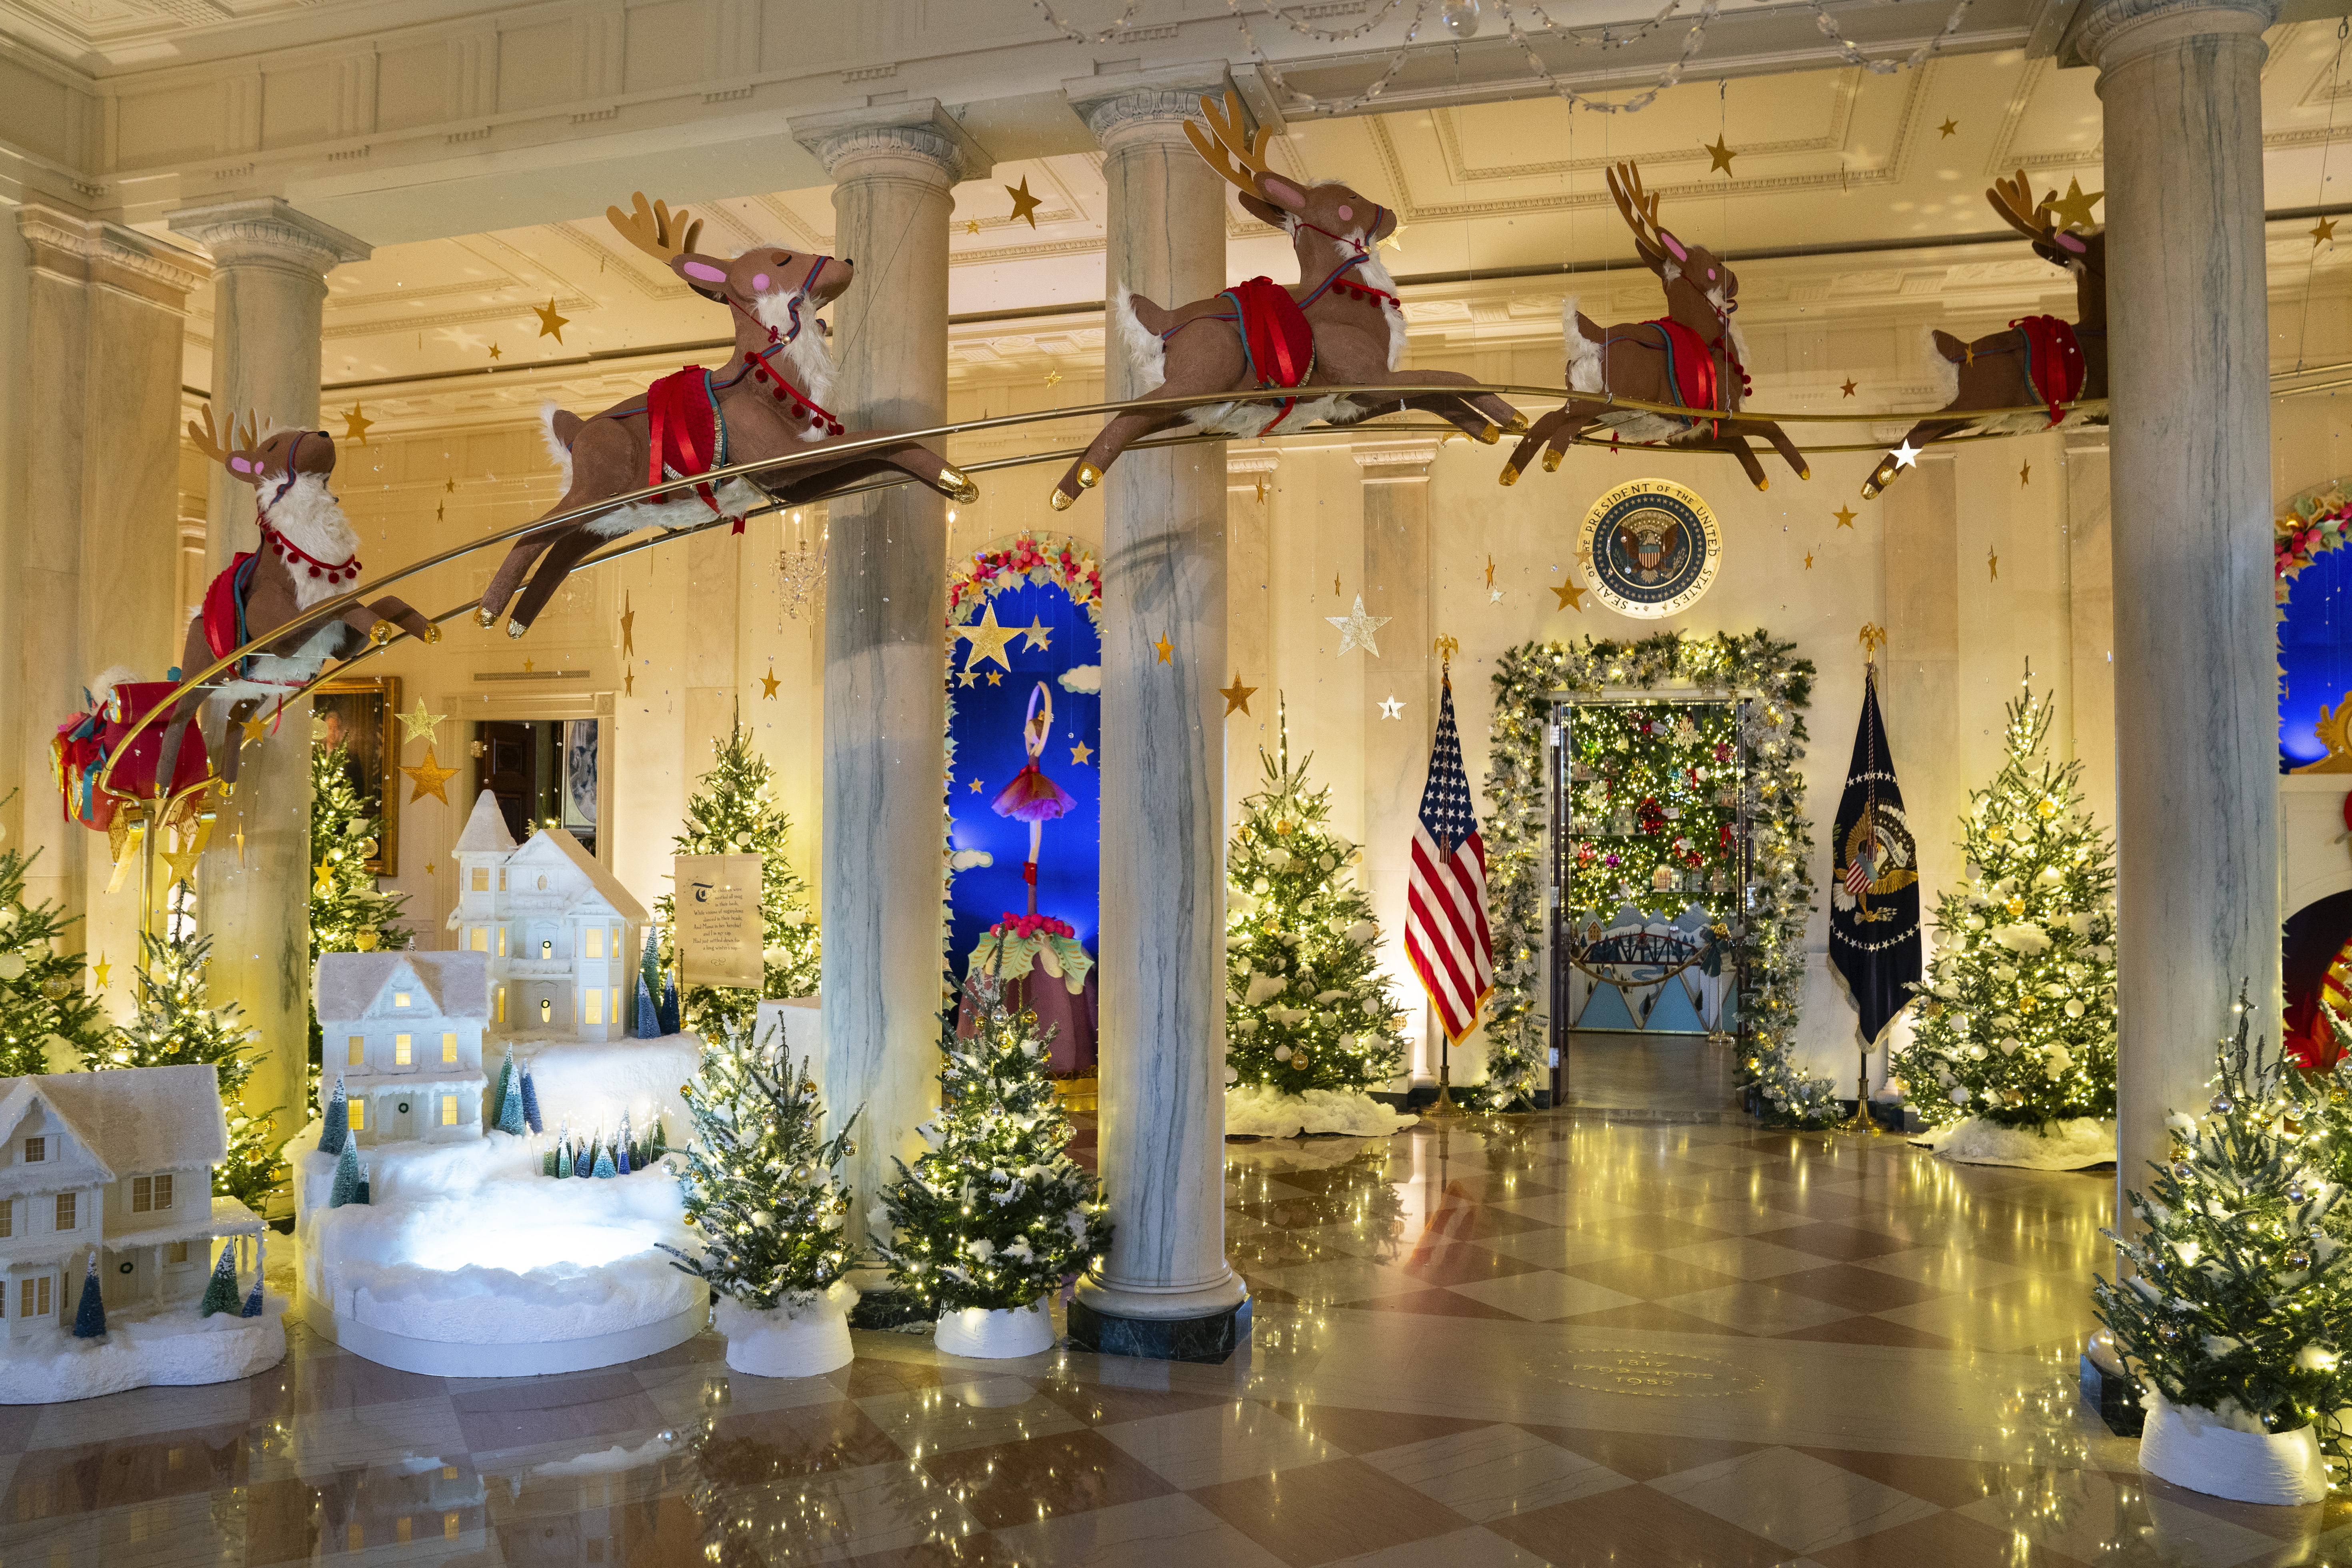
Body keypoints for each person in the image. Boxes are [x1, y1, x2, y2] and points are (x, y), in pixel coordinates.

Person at [992, 682, 1076, 917]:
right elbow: (1030, 740)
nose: (1025, 734)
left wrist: (1042, 691)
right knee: (1032, 833)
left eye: (1029, 732)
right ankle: (1032, 861)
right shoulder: (1031, 750)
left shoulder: (1037, 751)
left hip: (1036, 788)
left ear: (1036, 735)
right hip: (1029, 785)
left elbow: (1042, 736)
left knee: (1036, 833)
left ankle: (1033, 863)